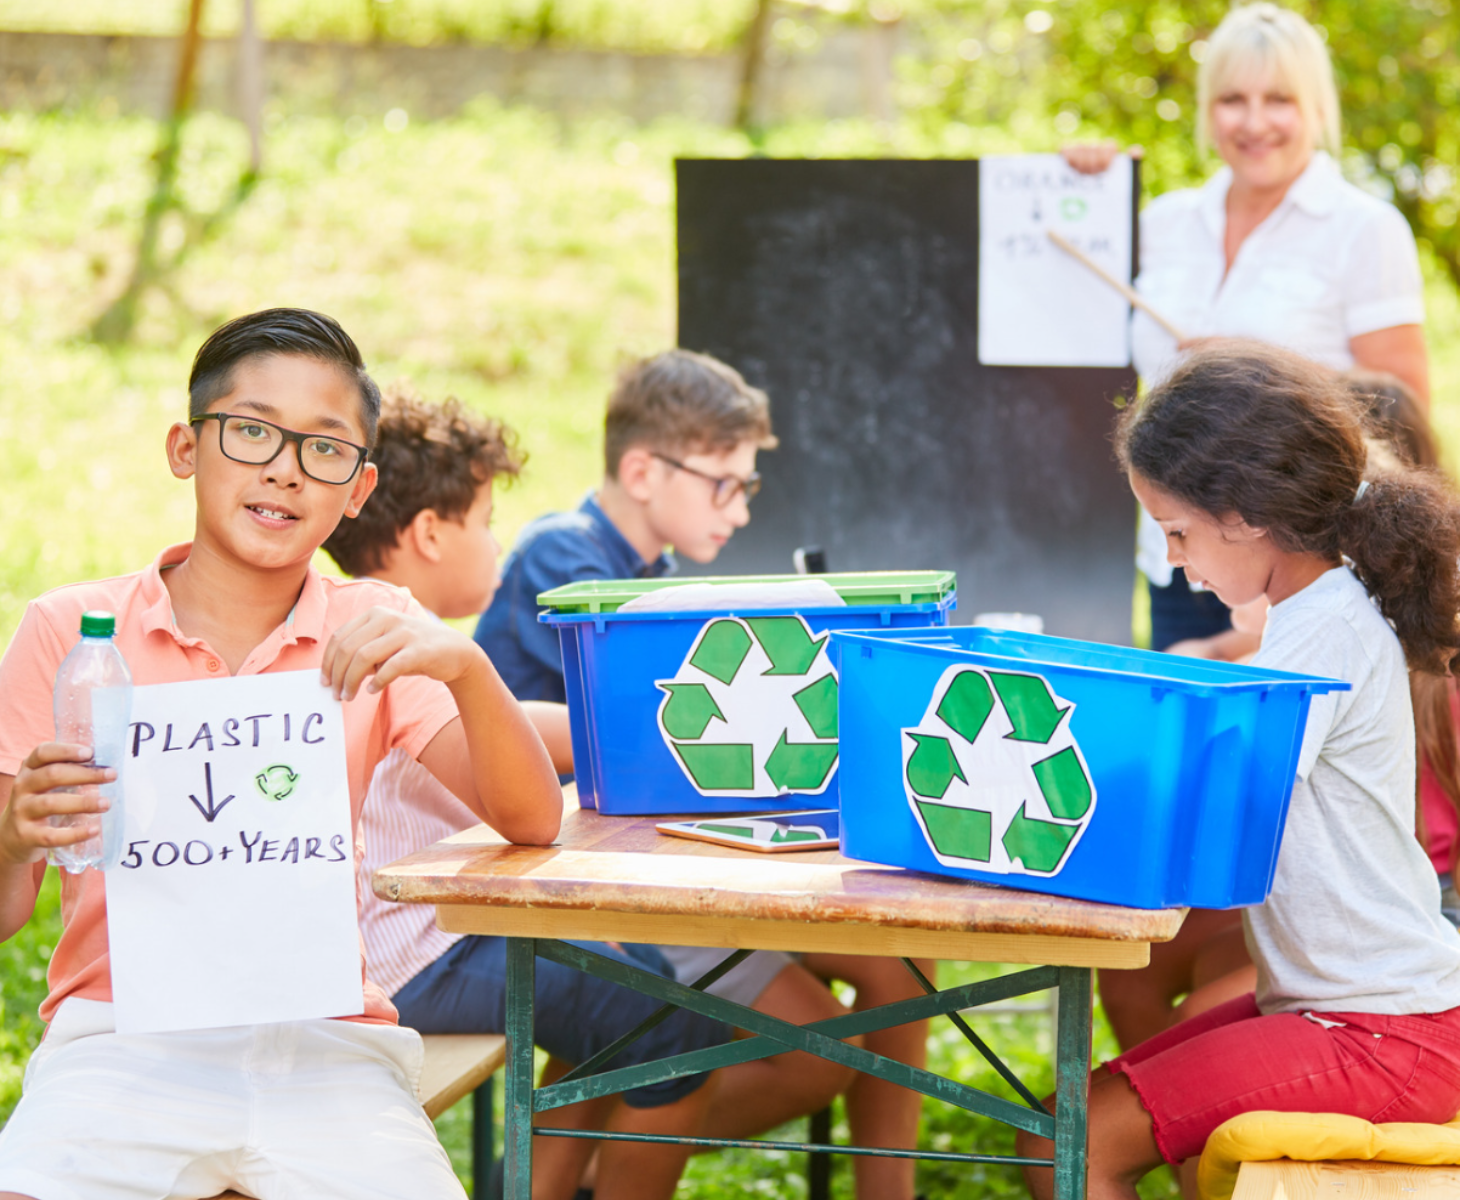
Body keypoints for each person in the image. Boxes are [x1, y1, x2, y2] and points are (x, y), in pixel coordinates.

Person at [0, 308, 563, 1200]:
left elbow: (531, 821)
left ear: (359, 486)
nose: (284, 469)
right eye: (252, 430)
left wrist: (466, 668)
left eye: (324, 449)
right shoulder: (70, 633)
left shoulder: (376, 631)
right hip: (121, 1046)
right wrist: (14, 835)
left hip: (329, 1051)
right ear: (186, 447)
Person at [475, 349, 931, 1200]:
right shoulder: (566, 564)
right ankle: (609, 1155)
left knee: (884, 980)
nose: (740, 506)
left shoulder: (650, 575)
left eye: (747, 485)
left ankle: (872, 1186)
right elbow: (619, 743)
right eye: (725, 483)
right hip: (582, 882)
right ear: (643, 470)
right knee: (815, 1040)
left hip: (652, 860)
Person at [1019, 341, 1460, 1200]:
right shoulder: (1316, 608)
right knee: (1064, 1119)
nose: (1178, 561)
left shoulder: (1324, 627)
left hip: (1386, 1028)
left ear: (1245, 512)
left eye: (1177, 531)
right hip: (1361, 1005)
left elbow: (1208, 813)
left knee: (1061, 1147)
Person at [323, 384, 740, 1200]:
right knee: (678, 1030)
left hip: (438, 930)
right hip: (411, 956)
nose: (496, 543)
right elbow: (527, 778)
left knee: (634, 983)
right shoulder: (399, 638)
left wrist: (661, 729)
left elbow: (532, 725)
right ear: (431, 534)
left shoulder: (383, 628)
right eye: (485, 520)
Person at [1065, 2, 1430, 655]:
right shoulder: (1165, 221)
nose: (1255, 122)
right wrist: (1081, 186)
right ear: (1207, 110)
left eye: (1280, 99)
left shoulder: (1365, 229)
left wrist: (1266, 369)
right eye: (1234, 99)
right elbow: (1058, 273)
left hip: (1296, 566)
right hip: (1175, 559)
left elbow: (1403, 405)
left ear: (1316, 107)